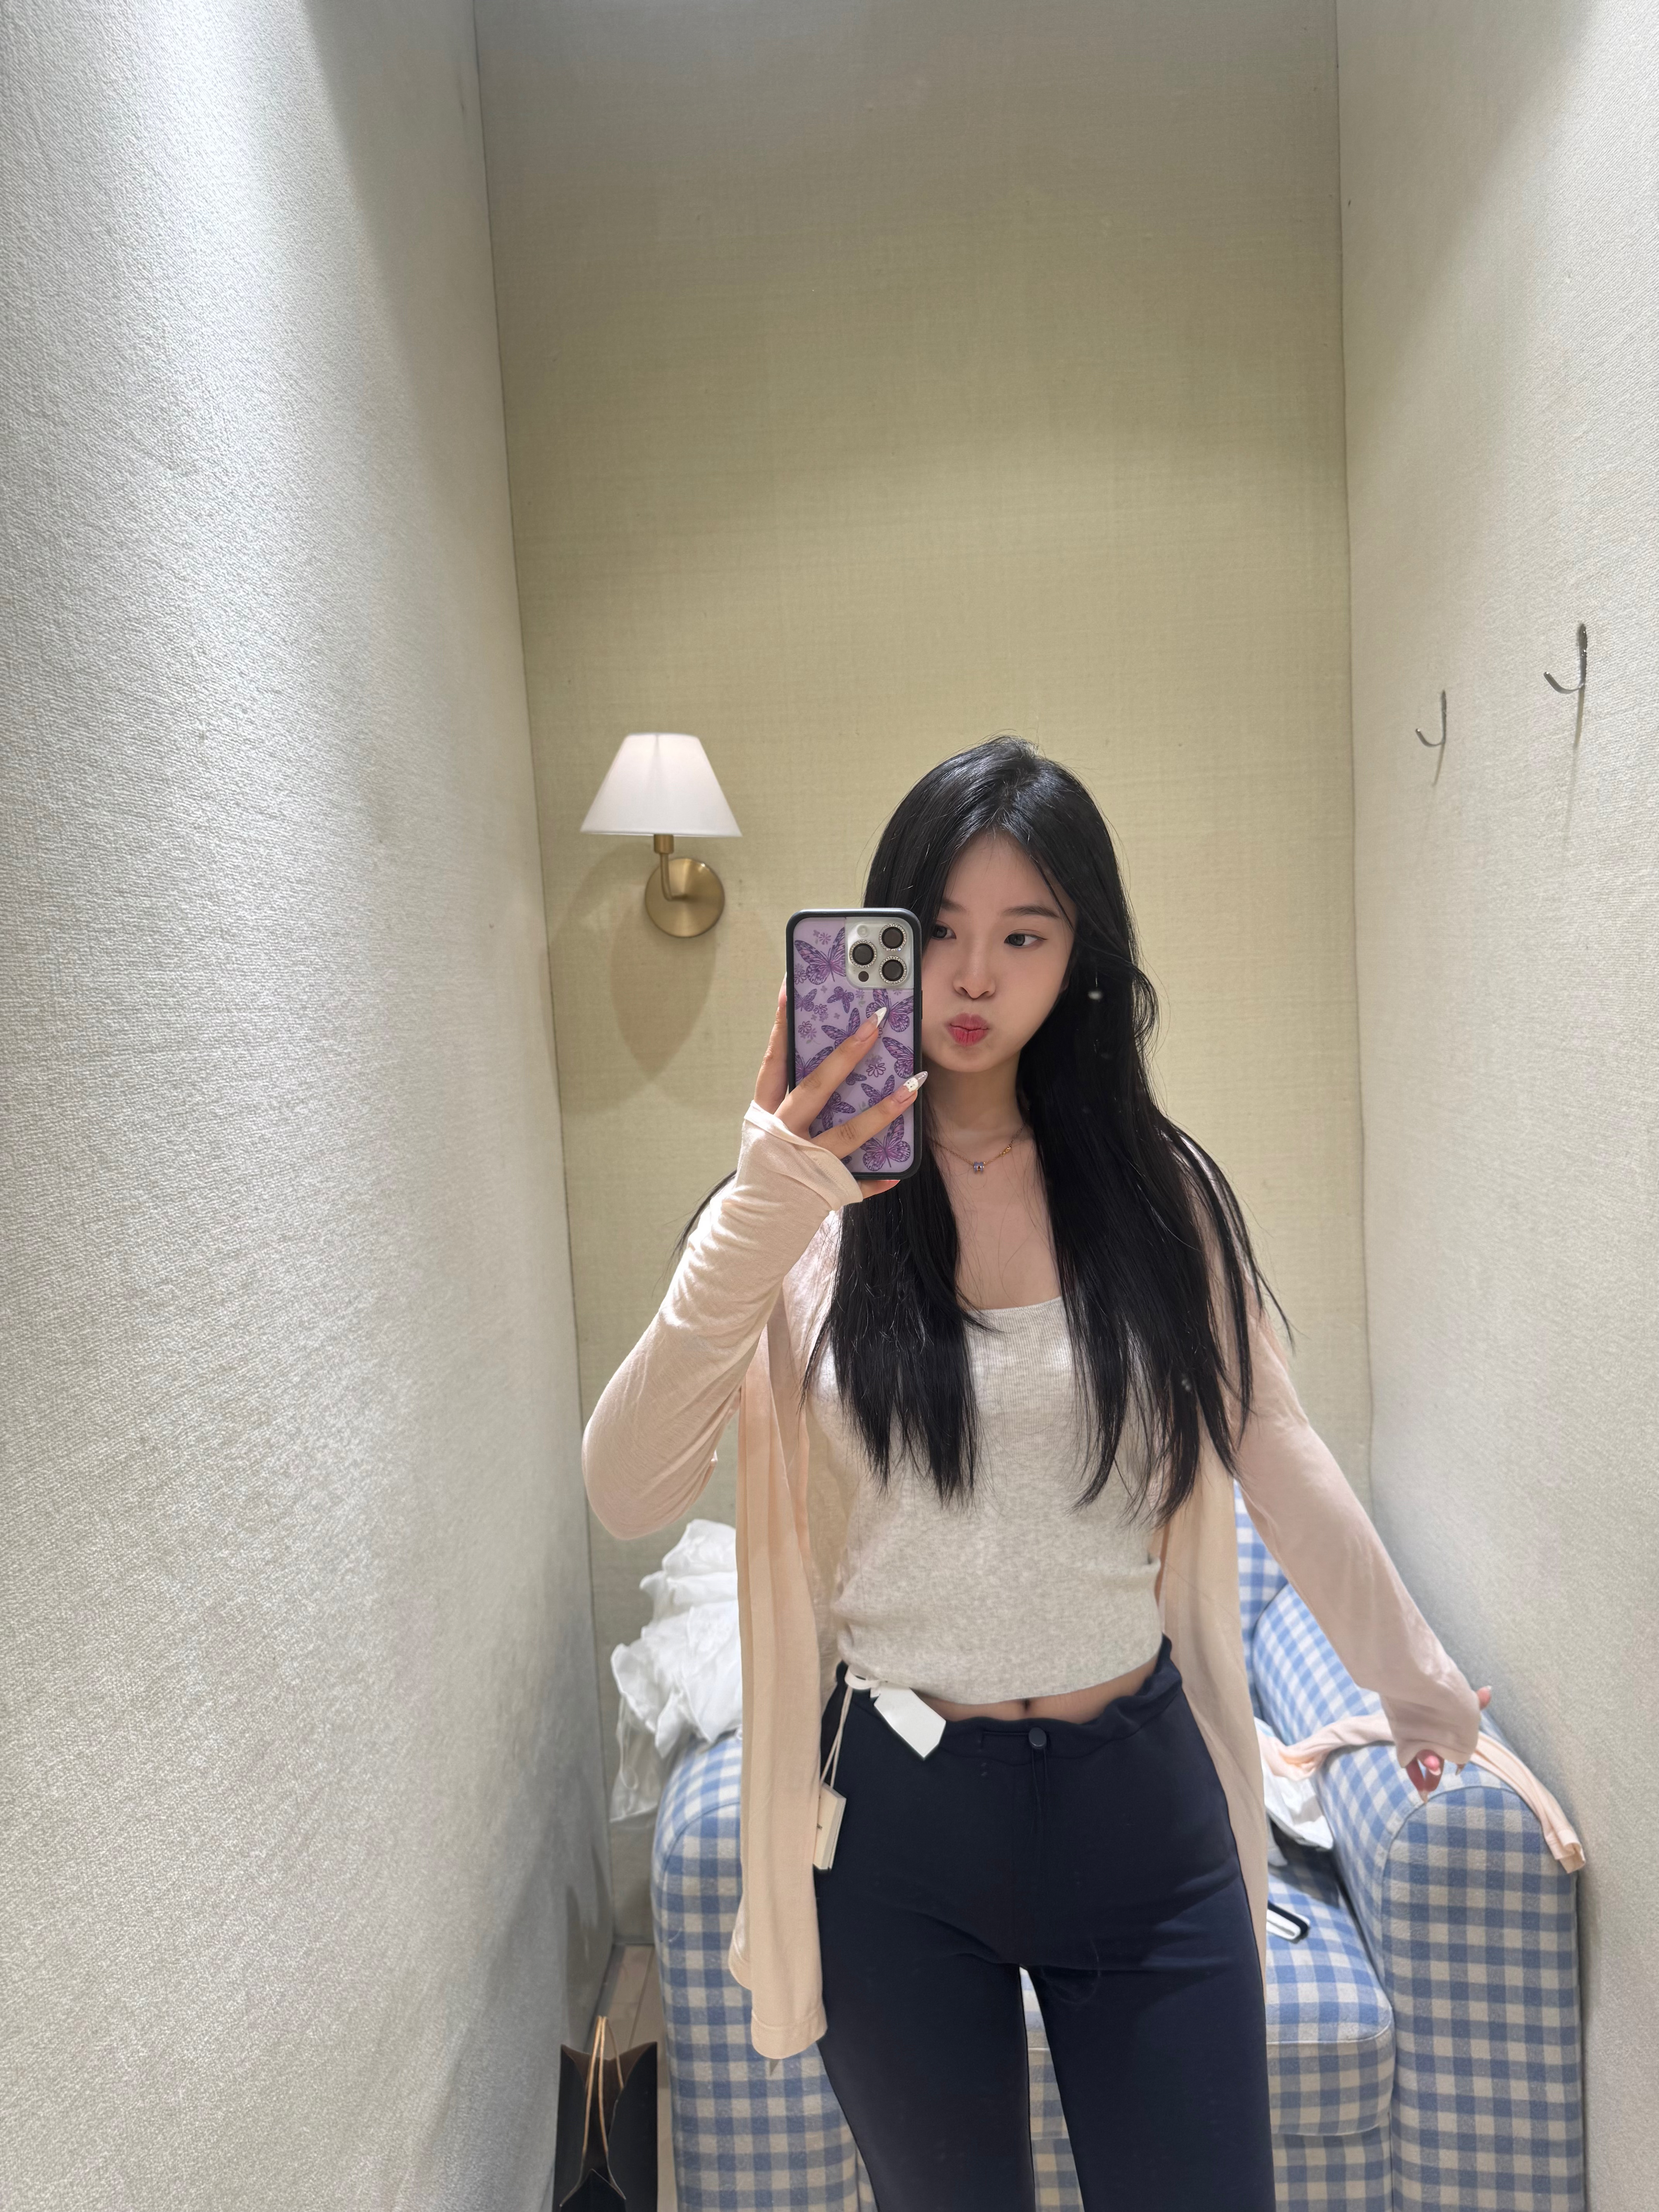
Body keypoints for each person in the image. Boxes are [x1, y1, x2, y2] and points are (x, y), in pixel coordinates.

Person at [583, 736, 1490, 2211]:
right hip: (897, 1827)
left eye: (1023, 935)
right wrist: (766, 1196)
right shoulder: (797, 1220)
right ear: (881, 937)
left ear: (1080, 958)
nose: (970, 977)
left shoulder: (1157, 1194)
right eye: (937, 931)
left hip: (1140, 1804)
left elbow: (1274, 1446)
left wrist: (1417, 1680)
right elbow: (627, 1487)